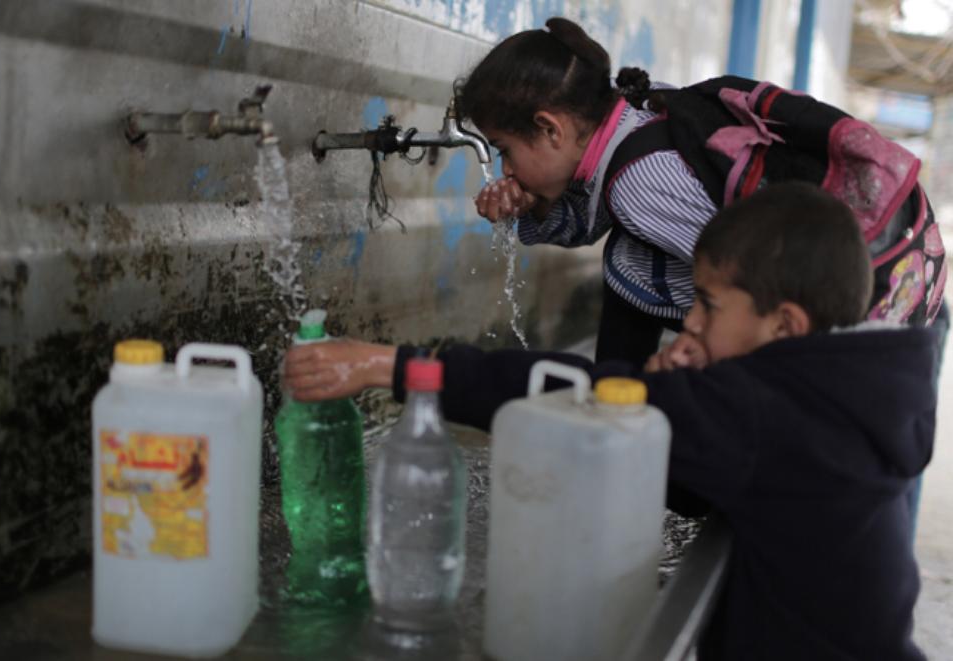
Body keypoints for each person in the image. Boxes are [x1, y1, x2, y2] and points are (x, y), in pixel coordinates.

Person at [283, 183, 936, 659]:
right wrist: (677, 387)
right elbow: (683, 479)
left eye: (708, 304)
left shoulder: (764, 415)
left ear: (785, 324)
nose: (691, 322)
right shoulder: (845, 395)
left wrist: (394, 366)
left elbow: (575, 391)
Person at [461, 17, 947, 366]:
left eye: (504, 149)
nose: (505, 167)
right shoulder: (640, 111)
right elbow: (592, 216)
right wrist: (533, 209)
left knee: (628, 269)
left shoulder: (637, 183)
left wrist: (696, 355)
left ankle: (621, 410)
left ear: (550, 129)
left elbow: (750, 282)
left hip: (860, 309)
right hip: (909, 265)